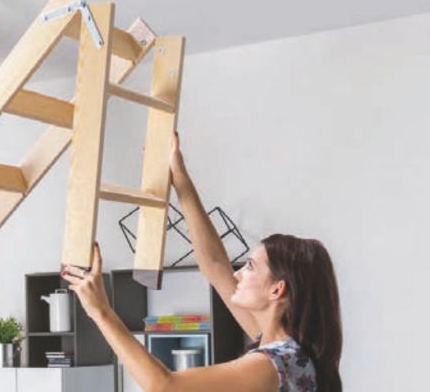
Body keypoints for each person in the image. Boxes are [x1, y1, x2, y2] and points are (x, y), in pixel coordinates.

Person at [61, 133, 343, 392]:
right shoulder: (289, 352)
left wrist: (101, 311)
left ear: (277, 289)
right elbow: (214, 264)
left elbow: (164, 386)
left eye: (250, 266)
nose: (238, 274)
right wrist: (179, 177)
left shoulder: (271, 363)